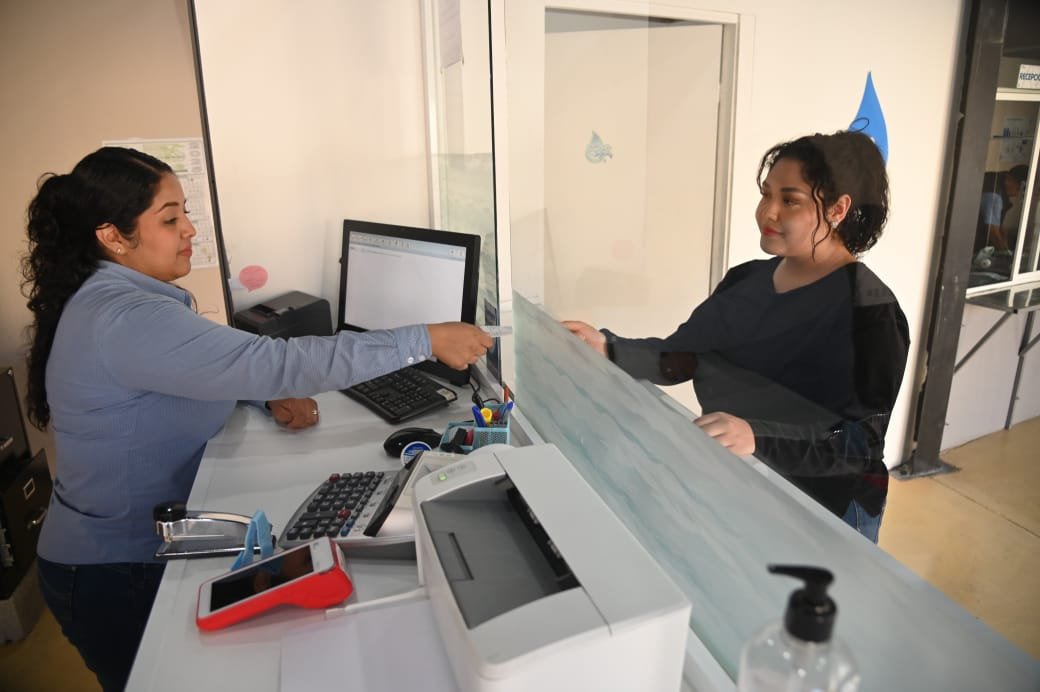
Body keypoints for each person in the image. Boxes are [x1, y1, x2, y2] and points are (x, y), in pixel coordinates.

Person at [20, 146, 492, 691]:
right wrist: (423, 339)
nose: (190, 229)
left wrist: (260, 397)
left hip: (130, 549)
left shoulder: (116, 297)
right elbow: (275, 362)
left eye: (185, 213)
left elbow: (196, 367)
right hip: (111, 571)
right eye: (170, 219)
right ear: (112, 236)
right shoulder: (126, 316)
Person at [564, 130, 910, 544]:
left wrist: (755, 436)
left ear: (838, 209)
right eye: (766, 195)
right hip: (744, 485)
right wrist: (609, 348)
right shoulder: (746, 279)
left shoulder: (870, 311)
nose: (768, 212)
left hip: (826, 509)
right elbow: (685, 356)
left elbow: (860, 441)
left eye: (790, 200)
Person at [975, 164, 1028, 255]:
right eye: (1019, 188)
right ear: (1009, 179)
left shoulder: (995, 179)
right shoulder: (994, 196)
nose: (1019, 193)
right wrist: (1005, 253)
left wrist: (1004, 243)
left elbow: (997, 224)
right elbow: (993, 232)